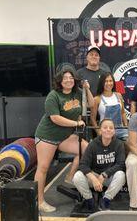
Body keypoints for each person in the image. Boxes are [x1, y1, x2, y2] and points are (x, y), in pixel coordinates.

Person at [34, 68, 94, 213]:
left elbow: (91, 104)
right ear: (60, 81)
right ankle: (39, 201)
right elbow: (55, 118)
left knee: (87, 150)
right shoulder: (53, 96)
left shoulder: (78, 93)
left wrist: (87, 90)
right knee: (43, 168)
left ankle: (70, 176)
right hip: (47, 136)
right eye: (65, 78)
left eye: (71, 77)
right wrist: (75, 124)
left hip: (64, 136)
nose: (68, 80)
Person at [72, 118, 126, 211]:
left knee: (121, 175)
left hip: (108, 177)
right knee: (77, 177)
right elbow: (83, 164)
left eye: (111, 128)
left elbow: (120, 164)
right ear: (100, 130)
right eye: (105, 127)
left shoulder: (119, 144)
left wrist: (104, 175)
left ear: (114, 131)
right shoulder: (93, 144)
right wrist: (93, 179)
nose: (108, 129)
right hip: (94, 176)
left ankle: (106, 200)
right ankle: (89, 200)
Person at [90, 72, 128, 140]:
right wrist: (99, 132)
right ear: (102, 83)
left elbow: (123, 113)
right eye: (106, 81)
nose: (109, 83)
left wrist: (126, 126)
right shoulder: (97, 99)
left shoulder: (118, 95)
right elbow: (92, 119)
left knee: (129, 142)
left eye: (110, 81)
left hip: (120, 130)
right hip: (105, 131)